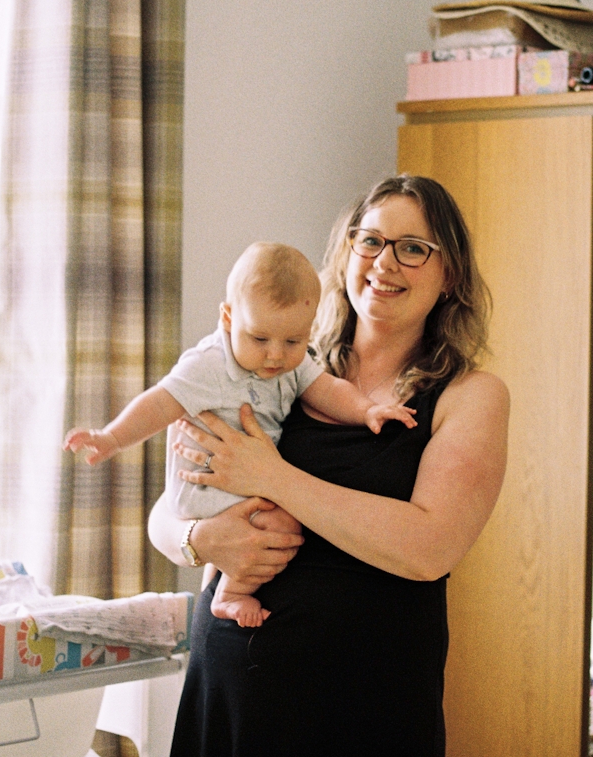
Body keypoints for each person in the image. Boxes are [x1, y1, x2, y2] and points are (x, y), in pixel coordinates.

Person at [147, 175, 510, 757]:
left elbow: (429, 548)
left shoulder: (470, 396)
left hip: (361, 708)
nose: (384, 263)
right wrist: (200, 538)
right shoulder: (278, 364)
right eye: (370, 241)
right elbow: (168, 510)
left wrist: (273, 477)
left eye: (413, 248)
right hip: (230, 689)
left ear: (451, 275)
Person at [64, 242, 416, 627]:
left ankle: (224, 582)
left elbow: (328, 390)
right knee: (279, 524)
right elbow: (160, 404)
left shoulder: (293, 363)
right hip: (203, 488)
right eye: (260, 339)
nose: (275, 357)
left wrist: (367, 410)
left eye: (293, 342)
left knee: (275, 524)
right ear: (228, 318)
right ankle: (231, 592)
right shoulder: (209, 365)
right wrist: (111, 438)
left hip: (240, 487)